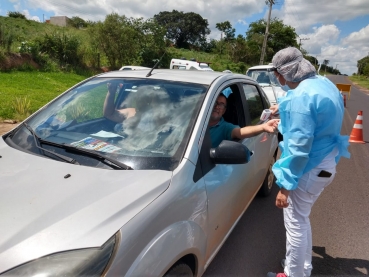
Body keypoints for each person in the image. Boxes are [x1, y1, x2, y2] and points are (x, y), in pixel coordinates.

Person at [266, 47, 350, 277]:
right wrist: (283, 109)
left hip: (308, 169)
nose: (276, 78)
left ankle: (292, 274)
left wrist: (285, 186)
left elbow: (299, 149)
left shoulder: (300, 97)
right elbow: (316, 117)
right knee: (301, 220)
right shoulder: (322, 83)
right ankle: (303, 268)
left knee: (294, 225)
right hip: (325, 161)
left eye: (276, 72)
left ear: (284, 72)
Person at [209, 93, 279, 148]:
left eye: (222, 105)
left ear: (224, 110)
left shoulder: (225, 127)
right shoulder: (199, 121)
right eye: (215, 103)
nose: (217, 107)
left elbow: (240, 132)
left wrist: (263, 127)